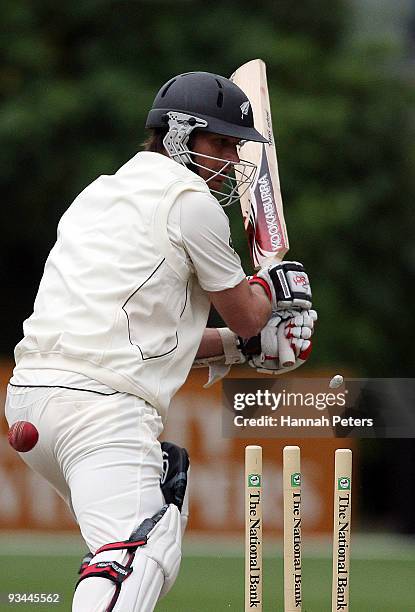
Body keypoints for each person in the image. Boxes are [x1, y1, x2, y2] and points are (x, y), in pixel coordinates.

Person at [4, 71, 315, 611]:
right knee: (137, 550)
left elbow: (152, 336)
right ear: (177, 134)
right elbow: (246, 314)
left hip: (34, 404)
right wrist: (275, 289)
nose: (229, 158)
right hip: (100, 412)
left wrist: (245, 348)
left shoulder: (97, 195)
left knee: (155, 531)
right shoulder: (189, 202)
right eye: (219, 142)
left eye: (235, 145)